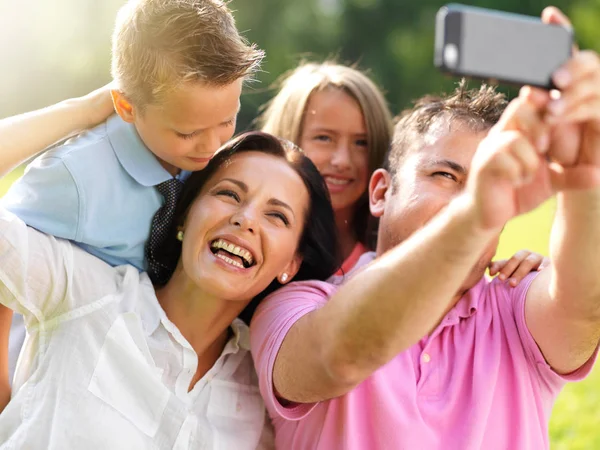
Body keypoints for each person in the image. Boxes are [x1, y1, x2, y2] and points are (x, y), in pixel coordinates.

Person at [250, 8, 600, 449]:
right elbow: (337, 355)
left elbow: (583, 305)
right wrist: (474, 213)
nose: (475, 198)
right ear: (381, 192)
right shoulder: (295, 305)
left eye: (489, 185)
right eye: (445, 176)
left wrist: (585, 175)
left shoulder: (514, 309)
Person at [0, 130, 340, 449]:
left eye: (277, 216)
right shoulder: (85, 294)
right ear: (183, 216)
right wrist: (92, 108)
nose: (246, 218)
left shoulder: (260, 395)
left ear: (290, 265)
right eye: (229, 194)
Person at [1, 0, 264, 386]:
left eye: (227, 120)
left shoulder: (216, 167)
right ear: (125, 105)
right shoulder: (77, 176)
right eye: (188, 133)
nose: (210, 144)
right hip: (59, 379)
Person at [257, 62, 393, 275]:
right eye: (324, 138)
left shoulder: (391, 254)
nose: (343, 160)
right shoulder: (249, 235)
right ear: (286, 138)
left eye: (361, 143)